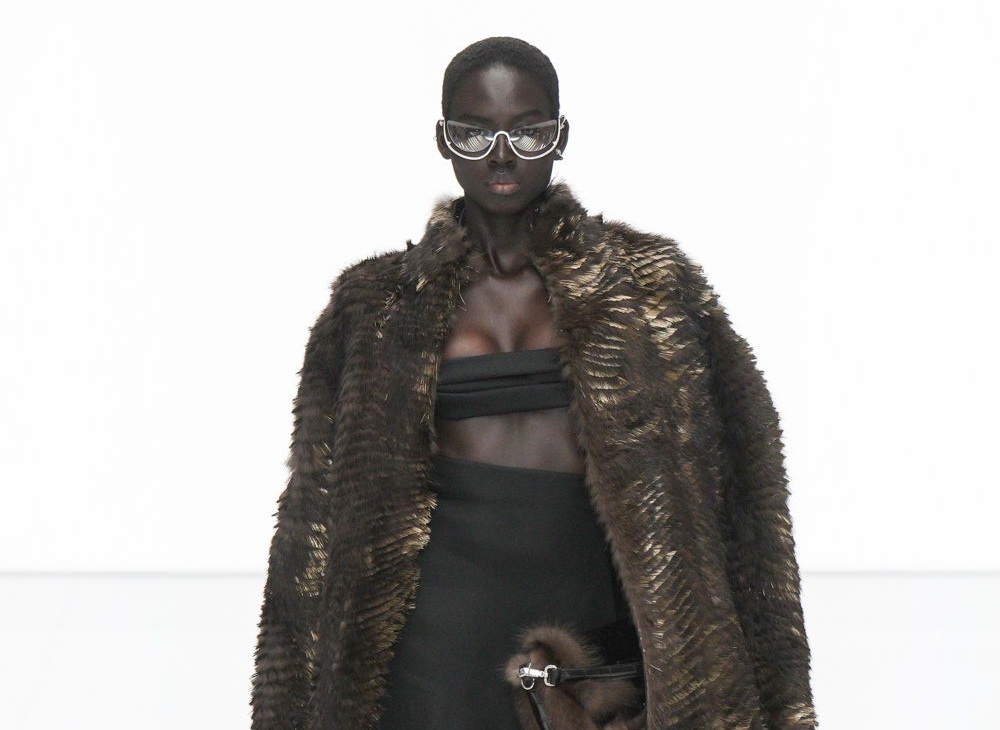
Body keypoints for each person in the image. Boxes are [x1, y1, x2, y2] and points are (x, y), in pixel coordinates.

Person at [251, 37, 817, 730]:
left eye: (527, 131)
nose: (501, 154)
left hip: (589, 643)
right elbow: (312, 528)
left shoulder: (649, 290)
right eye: (475, 132)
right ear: (443, 140)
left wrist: (777, 702)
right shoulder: (375, 308)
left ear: (561, 136)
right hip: (429, 647)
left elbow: (749, 495)